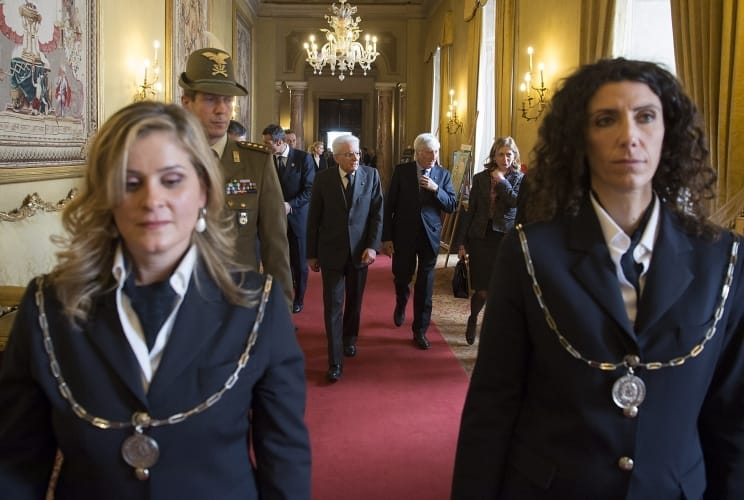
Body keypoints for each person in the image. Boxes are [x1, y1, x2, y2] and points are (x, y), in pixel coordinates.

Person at [452, 58, 744, 499]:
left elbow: (732, 422)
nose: (629, 136)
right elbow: (493, 406)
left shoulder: (723, 258)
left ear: (668, 133)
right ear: (580, 139)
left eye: (646, 116)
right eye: (607, 120)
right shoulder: (531, 253)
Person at [0, 102, 312, 499]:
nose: (152, 199)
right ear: (105, 197)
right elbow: (15, 468)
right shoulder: (48, 308)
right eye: (130, 182)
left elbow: (284, 464)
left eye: (172, 180)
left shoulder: (258, 306)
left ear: (203, 191)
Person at [179, 48, 293, 311]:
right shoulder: (166, 160)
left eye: (228, 100)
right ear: (187, 102)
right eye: (210, 99)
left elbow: (276, 247)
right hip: (181, 307)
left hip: (238, 304)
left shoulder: (256, 163)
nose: (222, 110)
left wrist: (281, 313)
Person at [306, 134, 383, 382]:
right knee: (333, 306)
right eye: (350, 154)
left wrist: (373, 247)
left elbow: (377, 215)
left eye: (358, 153)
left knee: (354, 302)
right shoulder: (323, 179)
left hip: (360, 252)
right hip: (331, 252)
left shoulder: (371, 175)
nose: (356, 158)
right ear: (337, 157)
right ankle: (335, 360)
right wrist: (311, 253)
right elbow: (313, 218)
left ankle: (350, 338)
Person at [381, 133, 457, 349]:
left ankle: (420, 330)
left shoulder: (443, 174)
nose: (434, 156)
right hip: (403, 235)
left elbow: (451, 205)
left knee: (426, 285)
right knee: (402, 276)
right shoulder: (402, 171)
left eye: (436, 152)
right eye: (429, 152)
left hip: (429, 236)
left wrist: (436, 189)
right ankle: (401, 302)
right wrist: (386, 237)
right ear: (418, 153)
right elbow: (389, 206)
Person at [457, 137, 523, 345]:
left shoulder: (519, 178)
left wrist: (502, 182)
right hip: (481, 238)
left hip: (505, 239)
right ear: (494, 156)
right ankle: (473, 318)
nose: (505, 159)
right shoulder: (480, 178)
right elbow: (471, 211)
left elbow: (514, 202)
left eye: (509, 155)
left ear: (514, 156)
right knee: (483, 289)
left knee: (502, 289)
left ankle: (494, 328)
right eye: (501, 154)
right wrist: (462, 242)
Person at [262, 124, 315, 313]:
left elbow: (310, 190)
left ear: (279, 142)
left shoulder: (303, 158)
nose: (265, 146)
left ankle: (298, 299)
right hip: (274, 220)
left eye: (267, 143)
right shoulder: (266, 159)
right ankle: (280, 297)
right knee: (278, 261)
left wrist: (290, 205)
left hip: (297, 218)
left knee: (299, 263)